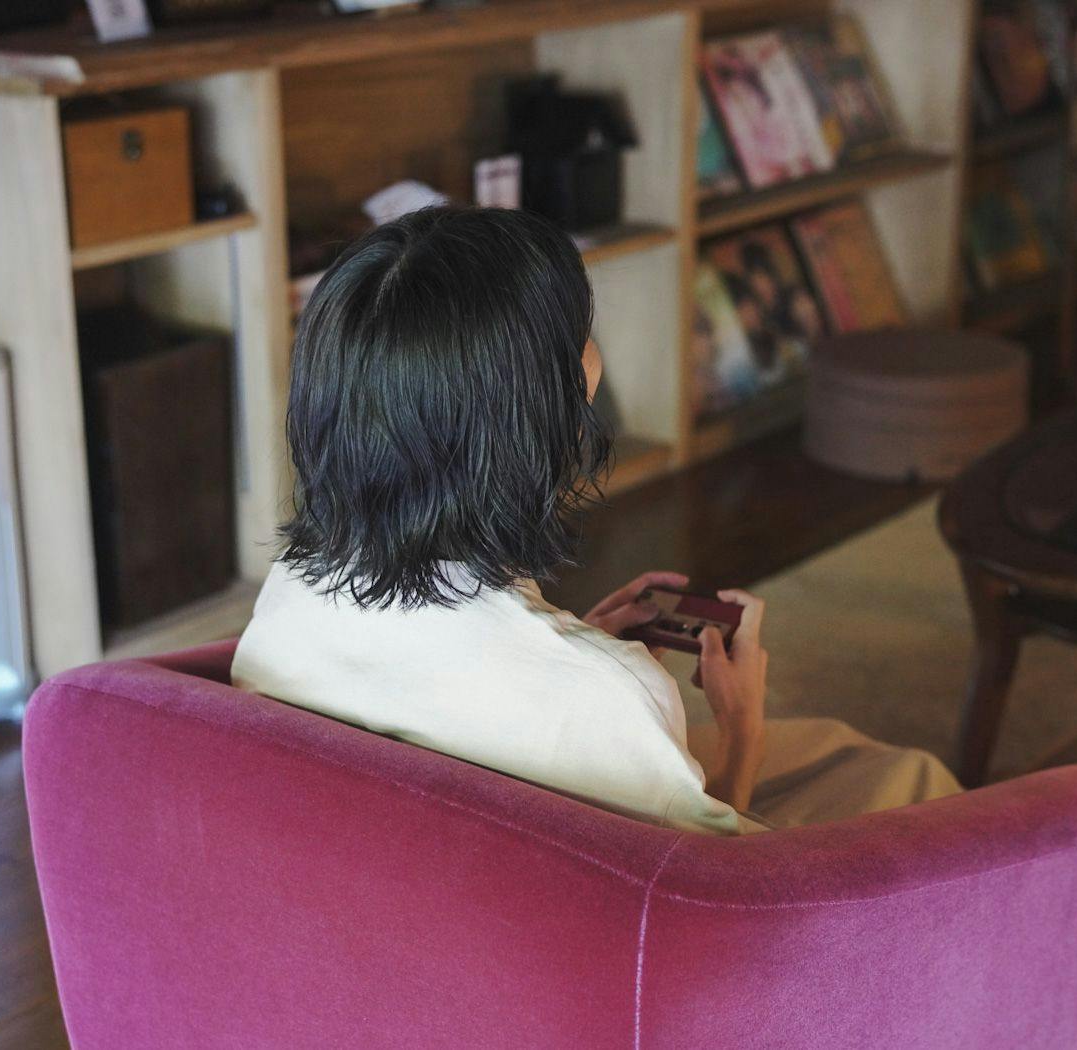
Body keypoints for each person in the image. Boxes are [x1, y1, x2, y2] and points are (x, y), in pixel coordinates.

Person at [232, 207, 960, 835]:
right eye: (581, 337)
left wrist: (571, 641)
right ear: (534, 410)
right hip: (635, 903)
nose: (593, 362)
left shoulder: (289, 598)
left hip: (427, 850)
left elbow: (446, 684)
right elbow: (705, 900)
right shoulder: (612, 697)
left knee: (840, 748)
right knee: (914, 782)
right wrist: (742, 733)